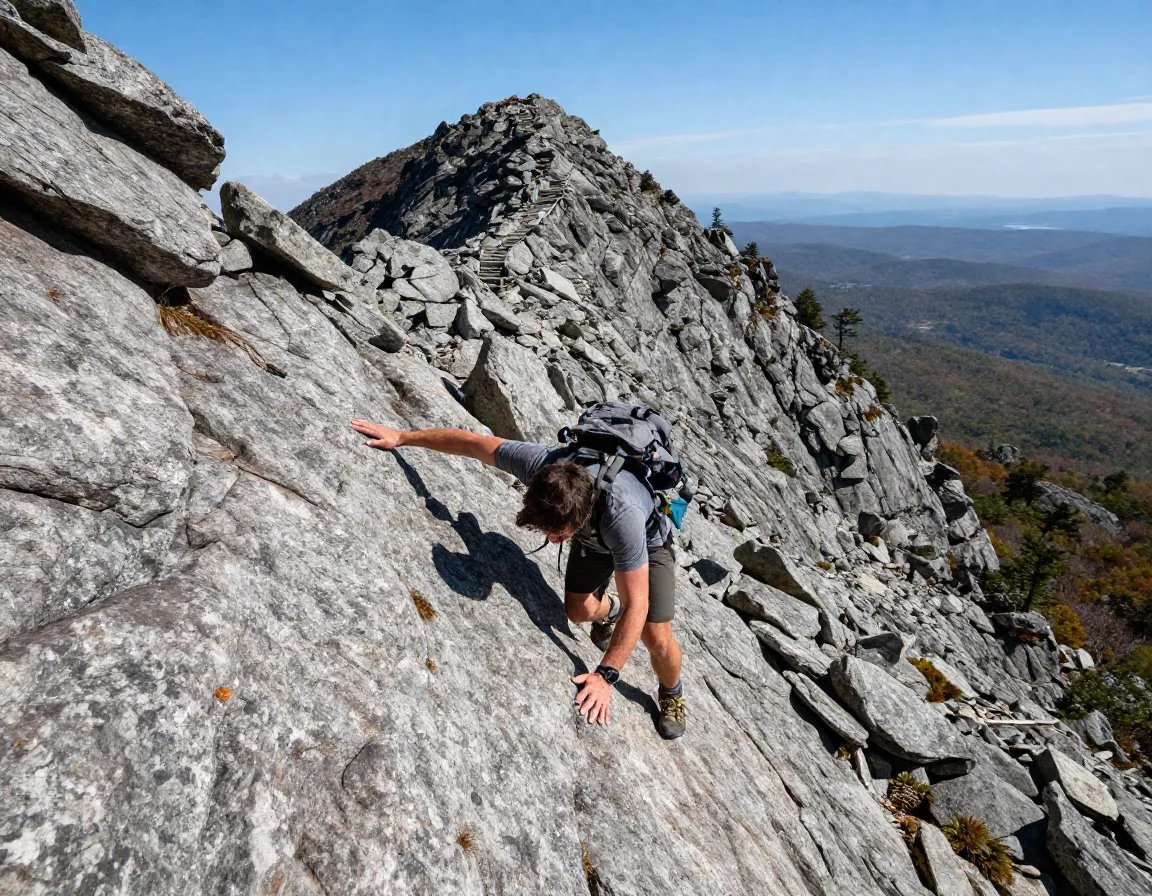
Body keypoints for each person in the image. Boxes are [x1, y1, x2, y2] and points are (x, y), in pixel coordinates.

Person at [350, 419, 686, 739]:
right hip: (592, 536)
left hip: (647, 538)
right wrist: (402, 437)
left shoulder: (622, 515)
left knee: (654, 635)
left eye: (557, 534)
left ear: (579, 517)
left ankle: (672, 692)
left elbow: (637, 604)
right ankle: (607, 612)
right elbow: (471, 443)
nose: (551, 539)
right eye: (546, 531)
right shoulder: (543, 465)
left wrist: (605, 675)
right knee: (578, 612)